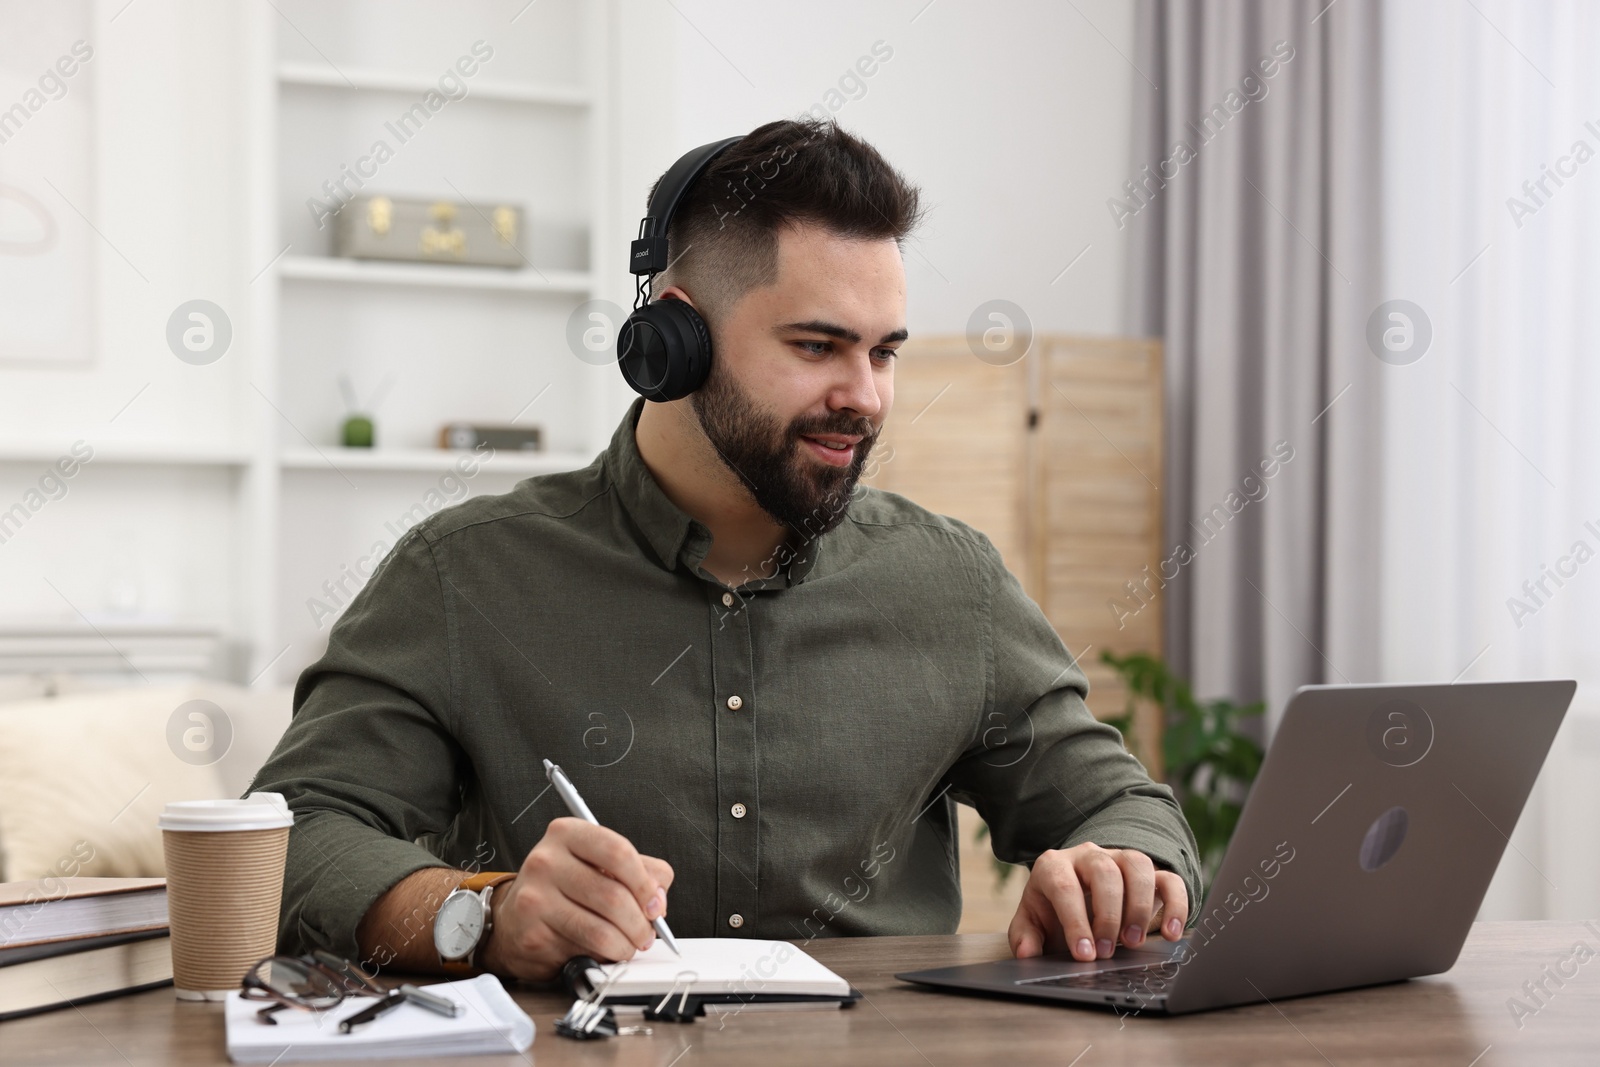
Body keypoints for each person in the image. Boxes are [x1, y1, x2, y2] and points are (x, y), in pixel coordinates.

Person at [249, 117, 1202, 983]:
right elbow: (292, 837)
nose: (866, 396)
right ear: (675, 335)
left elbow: (1124, 808)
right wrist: (482, 913)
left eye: (884, 351)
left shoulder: (951, 582)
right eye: (819, 345)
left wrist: (1119, 868)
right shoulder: (464, 576)